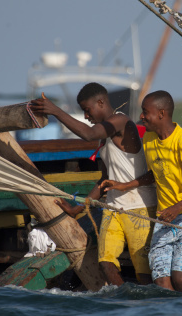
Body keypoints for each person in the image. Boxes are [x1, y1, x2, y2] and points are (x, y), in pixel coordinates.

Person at [30, 82, 157, 286]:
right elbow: (103, 182)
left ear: (101, 102)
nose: (87, 117)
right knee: (106, 264)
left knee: (144, 273)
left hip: (139, 207)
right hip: (113, 208)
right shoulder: (106, 138)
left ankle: (144, 308)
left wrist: (55, 111)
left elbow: (88, 134)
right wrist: (77, 208)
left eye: (87, 111)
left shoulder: (121, 121)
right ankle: (123, 302)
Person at [101, 90, 182, 293]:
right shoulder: (149, 138)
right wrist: (125, 185)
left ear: (161, 114)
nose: (141, 116)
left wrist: (177, 208)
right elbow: (155, 172)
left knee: (180, 279)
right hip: (165, 217)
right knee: (161, 282)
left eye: (145, 112)